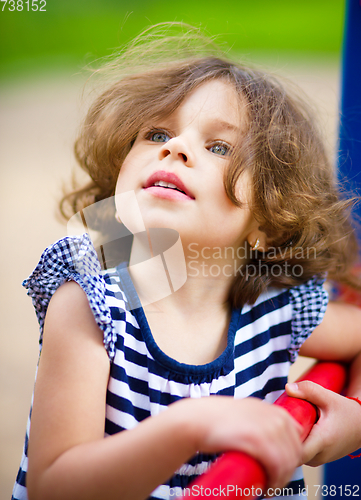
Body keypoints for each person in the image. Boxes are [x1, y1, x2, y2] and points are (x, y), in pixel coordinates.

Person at [12, 24, 361, 500]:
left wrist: (357, 414)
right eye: (157, 132)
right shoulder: (92, 306)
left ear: (269, 222)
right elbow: (55, 487)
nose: (174, 147)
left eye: (219, 147)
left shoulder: (274, 307)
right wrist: (191, 426)